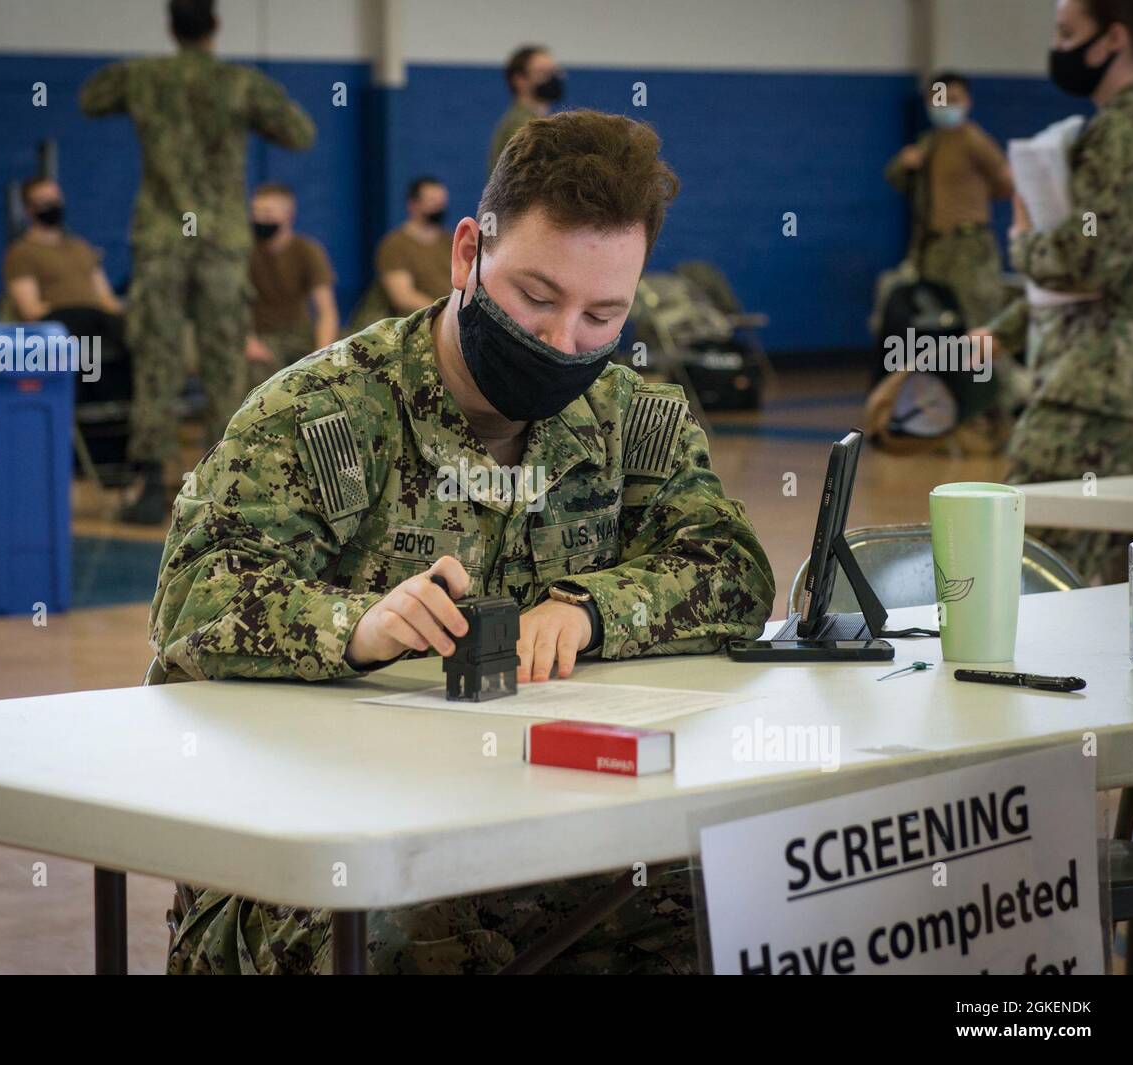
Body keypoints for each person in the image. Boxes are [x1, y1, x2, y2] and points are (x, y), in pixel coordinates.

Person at [152, 109, 775, 975]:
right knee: (417, 944)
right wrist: (358, 626)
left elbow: (732, 572)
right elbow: (189, 608)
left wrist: (590, 611)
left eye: (604, 315)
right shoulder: (320, 412)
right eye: (536, 297)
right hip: (321, 845)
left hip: (554, 830)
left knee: (739, 909)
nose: (564, 343)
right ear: (467, 255)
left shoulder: (634, 418)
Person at [80, 0, 316, 524]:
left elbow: (90, 99)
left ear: (171, 27)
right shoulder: (239, 83)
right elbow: (300, 133)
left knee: (157, 357)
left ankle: (148, 483)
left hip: (161, 238)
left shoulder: (143, 77)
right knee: (225, 360)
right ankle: (226, 484)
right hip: (221, 241)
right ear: (216, 26)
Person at [974, 0, 1133, 585]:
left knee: (1031, 570)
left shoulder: (1122, 131)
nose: (1058, 47)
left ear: (1113, 38)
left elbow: (1084, 265)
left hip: (1093, 398)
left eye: (1068, 33)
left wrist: (1022, 237)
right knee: (1114, 584)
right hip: (1109, 388)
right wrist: (1009, 329)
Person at [884, 72, 1015, 333]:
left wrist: (973, 200)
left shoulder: (974, 140)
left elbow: (1007, 182)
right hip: (933, 246)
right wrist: (904, 164)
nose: (945, 105)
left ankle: (988, 374)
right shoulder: (929, 142)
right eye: (940, 99)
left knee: (979, 320)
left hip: (968, 246)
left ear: (967, 102)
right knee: (936, 322)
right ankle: (946, 373)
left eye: (953, 98)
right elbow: (896, 179)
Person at [245, 183, 339, 386]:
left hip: (299, 334)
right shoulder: (244, 252)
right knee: (261, 378)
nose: (259, 219)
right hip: (261, 335)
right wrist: (248, 341)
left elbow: (326, 311)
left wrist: (322, 356)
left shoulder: (308, 251)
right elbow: (231, 305)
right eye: (255, 212)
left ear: (289, 215)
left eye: (267, 213)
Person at [3, 177, 124, 322]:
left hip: (98, 324)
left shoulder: (81, 247)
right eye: (44, 201)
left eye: (55, 199)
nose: (52, 205)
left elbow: (106, 299)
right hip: (59, 331)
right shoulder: (22, 253)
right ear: (29, 209)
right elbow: (30, 309)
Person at [348, 177, 453, 328]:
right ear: (413, 205)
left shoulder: (451, 241)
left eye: (442, 200)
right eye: (432, 200)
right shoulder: (395, 245)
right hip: (414, 326)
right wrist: (445, 312)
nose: (439, 205)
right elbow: (403, 296)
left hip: (450, 322)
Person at [488, 45, 564, 173]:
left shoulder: (535, 120)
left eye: (554, 72)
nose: (552, 78)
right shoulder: (523, 124)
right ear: (520, 80)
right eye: (543, 72)